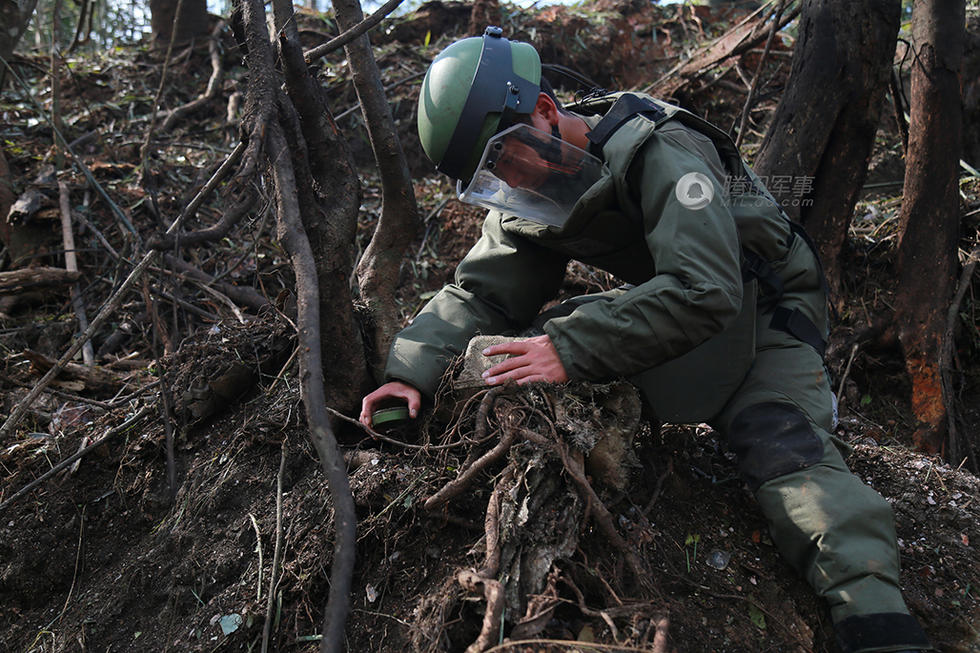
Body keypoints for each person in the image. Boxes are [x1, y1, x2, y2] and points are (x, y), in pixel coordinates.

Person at [360, 27, 932, 653]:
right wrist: (408, 372)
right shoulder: (529, 188)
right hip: (697, 301)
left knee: (780, 445)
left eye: (506, 158)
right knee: (528, 345)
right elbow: (485, 295)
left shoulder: (662, 147)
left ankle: (881, 624)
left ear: (546, 112)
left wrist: (571, 349)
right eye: (488, 177)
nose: (508, 182)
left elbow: (705, 288)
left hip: (769, 307)